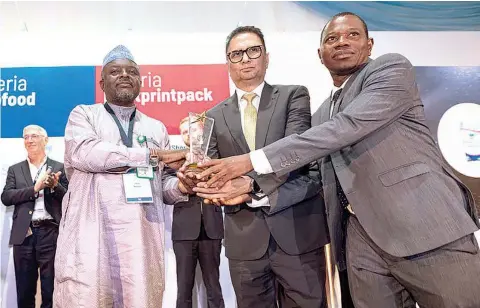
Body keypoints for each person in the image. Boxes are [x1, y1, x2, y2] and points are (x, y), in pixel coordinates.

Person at [196, 13, 480, 308]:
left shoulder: (390, 69)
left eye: (352, 35)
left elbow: (346, 127)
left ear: (370, 45)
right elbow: (314, 175)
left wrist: (249, 162)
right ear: (320, 55)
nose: (341, 41)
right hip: (359, 243)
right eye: (331, 38)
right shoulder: (320, 114)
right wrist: (245, 185)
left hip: (425, 229)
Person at [186, 26, 329, 308]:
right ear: (228, 64)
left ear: (266, 57)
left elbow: (296, 153)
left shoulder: (293, 96)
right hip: (244, 242)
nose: (245, 59)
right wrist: (197, 178)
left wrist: (250, 185)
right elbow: (212, 171)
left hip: (297, 234)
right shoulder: (212, 115)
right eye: (236, 54)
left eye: (253, 50)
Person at [53, 45, 189, 308]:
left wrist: (182, 185)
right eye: (115, 71)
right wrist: (150, 156)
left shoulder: (155, 127)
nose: (125, 75)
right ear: (102, 82)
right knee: (89, 297)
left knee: (140, 297)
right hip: (92, 234)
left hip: (141, 238)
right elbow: (87, 153)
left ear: (140, 81)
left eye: (132, 71)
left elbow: (163, 185)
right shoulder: (84, 115)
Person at [1, 124, 67, 308]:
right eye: (26, 137)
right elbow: (6, 197)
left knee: (50, 289)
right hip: (24, 233)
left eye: (34, 136)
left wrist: (55, 186)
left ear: (45, 140)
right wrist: (35, 188)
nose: (29, 140)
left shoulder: (59, 167)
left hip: (51, 233)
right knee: (24, 289)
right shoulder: (15, 169)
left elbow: (70, 199)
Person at [172, 116, 225, 308]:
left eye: (193, 130)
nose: (189, 135)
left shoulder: (216, 158)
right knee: (184, 288)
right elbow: (169, 191)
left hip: (212, 229)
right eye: (185, 132)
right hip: (184, 231)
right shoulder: (175, 160)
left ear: (203, 132)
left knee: (214, 286)